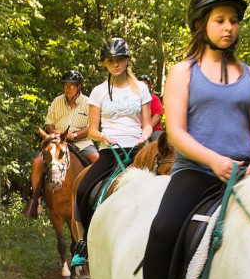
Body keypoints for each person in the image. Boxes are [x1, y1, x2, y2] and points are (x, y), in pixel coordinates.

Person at [128, 0, 250, 279]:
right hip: (198, 171)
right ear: (201, 25)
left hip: (248, 174)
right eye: (220, 20)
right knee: (163, 227)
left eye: (234, 21)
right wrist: (213, 160)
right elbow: (175, 130)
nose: (229, 27)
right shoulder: (184, 72)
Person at [71, 38, 153, 265]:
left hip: (138, 149)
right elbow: (94, 130)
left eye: (119, 60)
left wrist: (144, 136)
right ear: (105, 64)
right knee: (83, 189)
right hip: (110, 150)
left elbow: (147, 124)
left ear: (127, 61)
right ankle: (85, 243)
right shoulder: (98, 92)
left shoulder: (142, 89)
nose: (115, 65)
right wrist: (103, 137)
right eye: (110, 61)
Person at [23, 70, 99, 219]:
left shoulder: (88, 102)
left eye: (71, 86)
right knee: (37, 162)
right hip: (58, 140)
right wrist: (57, 134)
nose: (67, 89)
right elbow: (49, 123)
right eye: (65, 86)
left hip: (81, 141)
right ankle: (36, 197)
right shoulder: (57, 101)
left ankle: (96, 199)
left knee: (97, 159)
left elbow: (91, 126)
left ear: (79, 87)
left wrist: (74, 135)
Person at [139, 74, 165, 140]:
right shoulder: (134, 99)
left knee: (159, 141)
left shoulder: (154, 98)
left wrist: (146, 130)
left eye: (145, 84)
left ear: (149, 86)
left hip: (154, 130)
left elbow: (157, 116)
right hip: (137, 131)